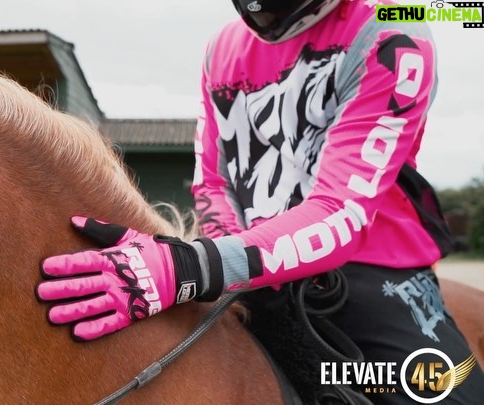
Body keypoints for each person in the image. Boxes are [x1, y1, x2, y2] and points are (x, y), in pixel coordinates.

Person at [35, 0, 484, 403]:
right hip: (251, 258)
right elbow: (213, 180)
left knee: (445, 393)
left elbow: (340, 211)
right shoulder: (222, 47)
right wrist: (218, 258)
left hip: (370, 270)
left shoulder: (393, 32)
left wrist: (189, 268)